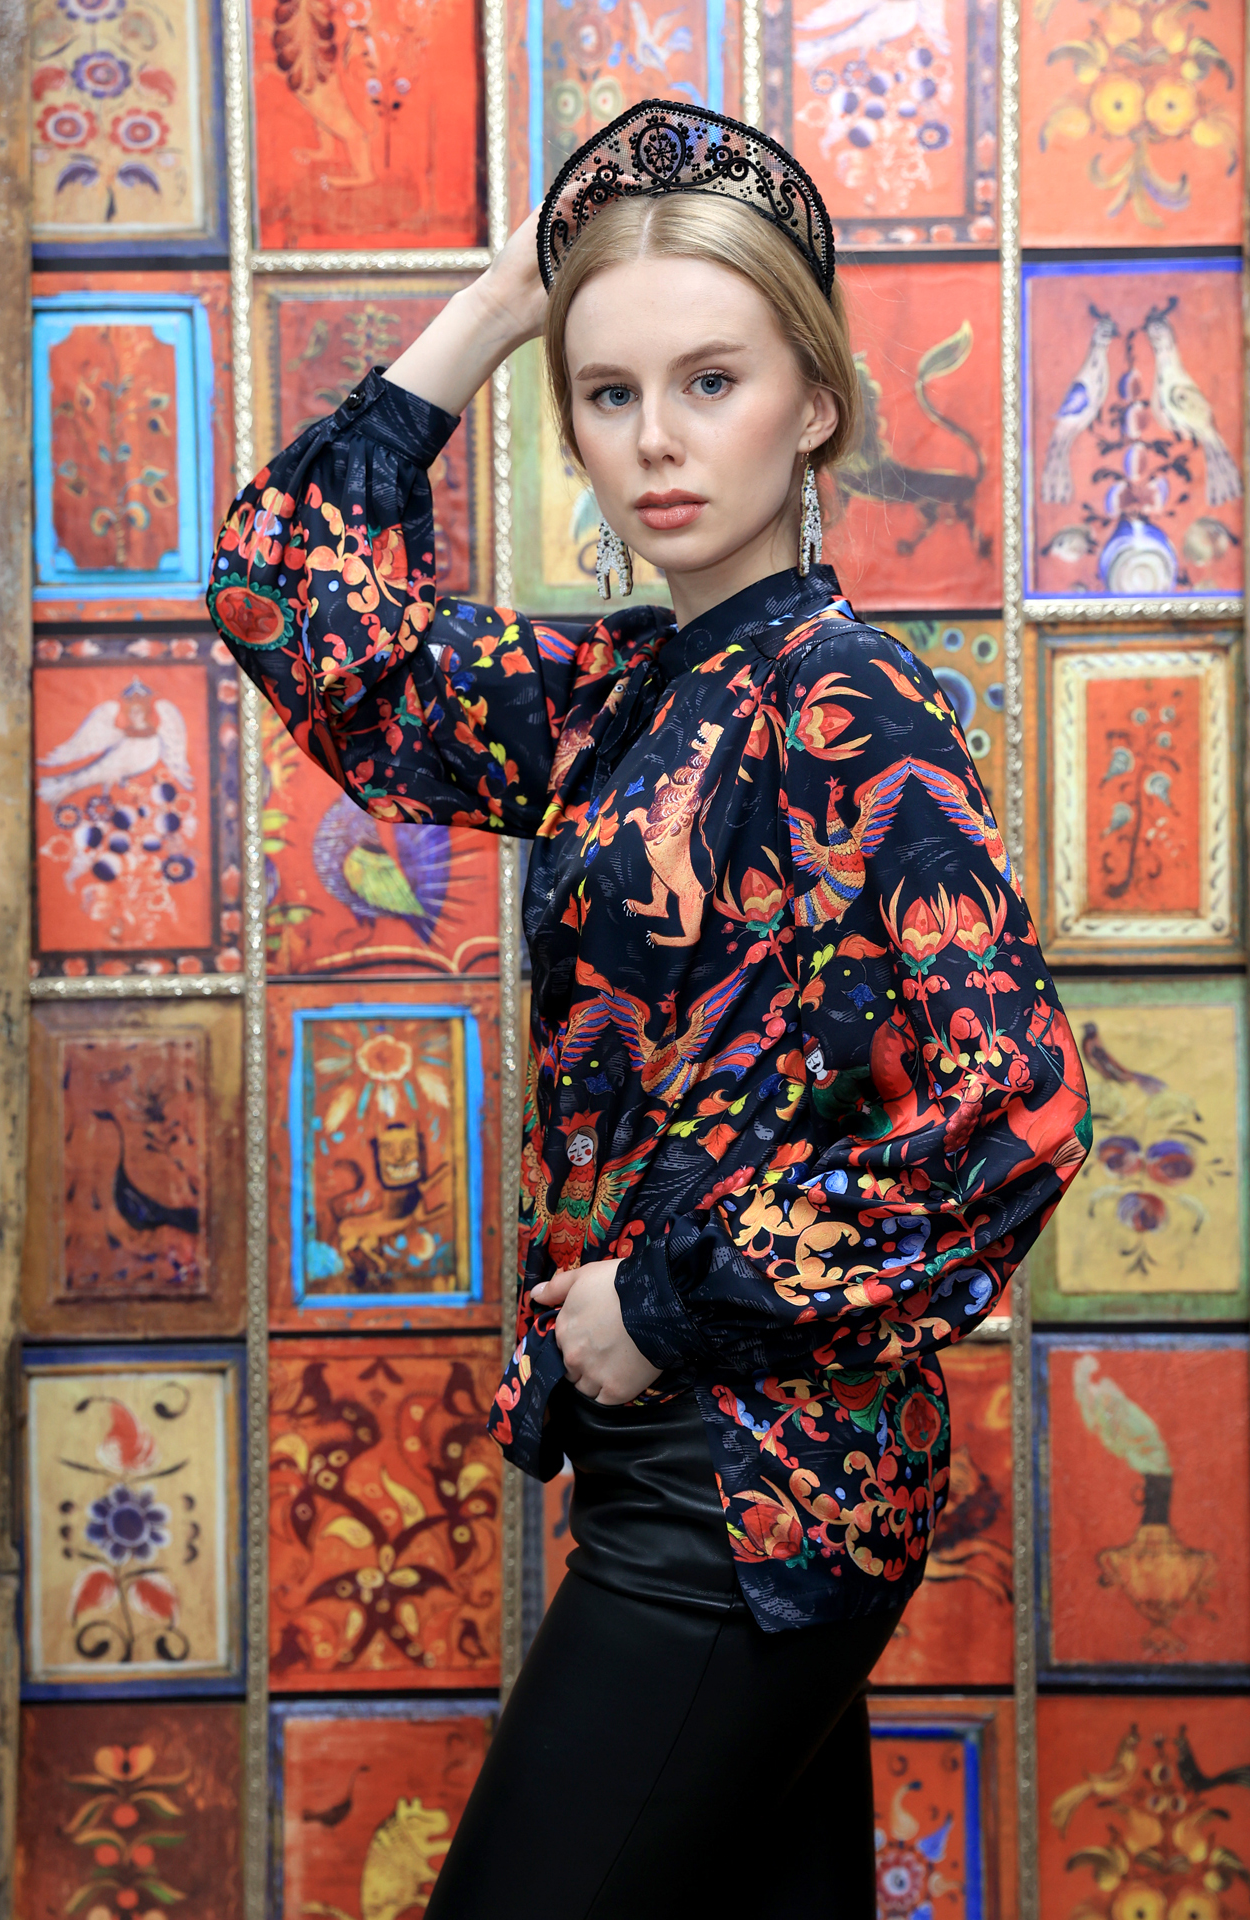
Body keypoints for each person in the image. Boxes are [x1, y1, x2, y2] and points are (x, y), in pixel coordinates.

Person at [210, 102, 1090, 1919]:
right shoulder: (619, 697)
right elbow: (289, 603)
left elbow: (1017, 1110)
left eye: (711, 381)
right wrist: (503, 301)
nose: (657, 442)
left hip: (748, 1482)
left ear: (816, 401)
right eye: (609, 395)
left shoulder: (849, 707)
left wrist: (668, 1302)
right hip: (688, 1473)